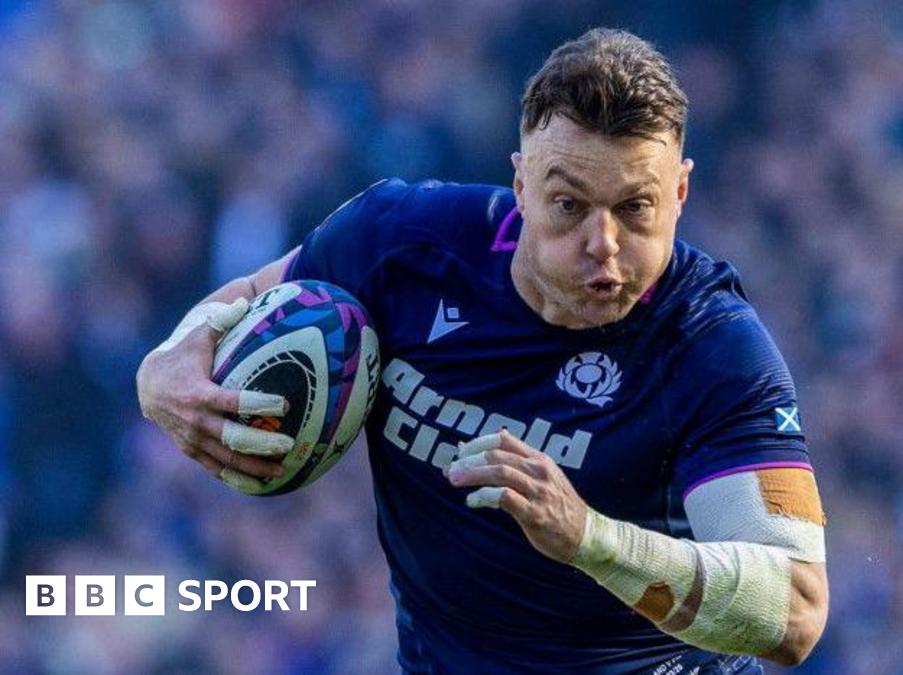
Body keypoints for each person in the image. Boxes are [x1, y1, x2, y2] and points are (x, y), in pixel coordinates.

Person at [137, 28, 828, 673]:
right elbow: (246, 299)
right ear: (521, 184)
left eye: (634, 208)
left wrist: (592, 538)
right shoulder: (404, 242)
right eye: (569, 205)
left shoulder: (714, 348)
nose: (603, 243)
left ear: (679, 192)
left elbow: (796, 609)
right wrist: (165, 364)